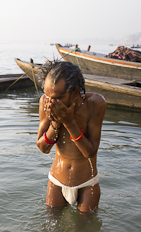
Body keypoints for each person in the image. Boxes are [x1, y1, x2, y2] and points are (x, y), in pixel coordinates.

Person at [36, 61, 106, 213]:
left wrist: (69, 122)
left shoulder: (95, 103)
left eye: (56, 98)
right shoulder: (45, 103)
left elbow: (90, 152)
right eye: (47, 95)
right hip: (56, 181)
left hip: (88, 183)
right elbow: (43, 147)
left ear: (74, 93)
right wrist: (55, 122)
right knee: (51, 231)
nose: (50, 102)